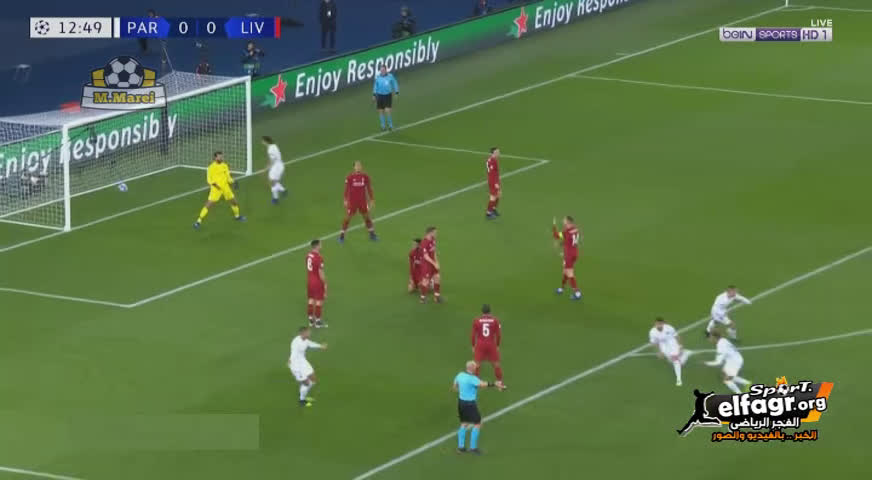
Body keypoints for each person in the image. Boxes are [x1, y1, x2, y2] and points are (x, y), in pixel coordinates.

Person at [453, 360, 505, 454]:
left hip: (461, 402)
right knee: (477, 424)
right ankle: (473, 448)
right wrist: (495, 384)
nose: (476, 369)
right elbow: (482, 384)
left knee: (464, 423)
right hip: (470, 404)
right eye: (475, 368)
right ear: (472, 368)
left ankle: (461, 447)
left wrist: (463, 391)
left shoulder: (460, 375)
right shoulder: (472, 378)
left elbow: (455, 387)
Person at [193, 151, 245, 229]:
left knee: (234, 202)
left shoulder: (225, 165)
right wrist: (216, 186)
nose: (221, 158)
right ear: (215, 158)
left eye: (222, 157)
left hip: (226, 187)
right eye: (219, 157)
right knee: (209, 205)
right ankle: (198, 221)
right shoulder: (211, 167)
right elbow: (209, 180)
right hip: (216, 189)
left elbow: (228, 177)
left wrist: (233, 182)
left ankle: (237, 216)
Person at [288, 326, 328, 407]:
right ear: (302, 333)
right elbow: (293, 353)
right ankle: (302, 400)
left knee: (313, 379)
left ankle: (303, 392)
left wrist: (320, 346)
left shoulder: (305, 340)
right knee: (307, 383)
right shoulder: (296, 342)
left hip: (303, 362)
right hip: (296, 365)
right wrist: (290, 362)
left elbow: (310, 344)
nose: (309, 333)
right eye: (308, 332)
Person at [339, 161, 378, 242]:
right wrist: (345, 199)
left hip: (362, 201)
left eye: (359, 165)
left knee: (367, 217)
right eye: (357, 166)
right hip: (352, 202)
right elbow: (346, 189)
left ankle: (372, 234)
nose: (358, 167)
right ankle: (342, 235)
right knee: (347, 218)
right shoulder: (350, 177)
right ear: (354, 167)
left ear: (361, 167)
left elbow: (369, 188)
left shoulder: (365, 176)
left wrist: (372, 199)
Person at [648, 317, 691, 386]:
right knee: (676, 362)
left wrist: (680, 346)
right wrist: (659, 352)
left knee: (675, 361)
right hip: (663, 346)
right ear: (655, 324)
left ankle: (678, 379)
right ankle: (686, 354)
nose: (658, 325)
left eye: (660, 324)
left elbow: (677, 336)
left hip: (672, 343)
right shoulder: (652, 332)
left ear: (663, 323)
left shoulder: (669, 328)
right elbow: (654, 343)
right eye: (657, 324)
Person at [472, 304, 504, 387]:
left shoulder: (476, 320)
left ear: (482, 311)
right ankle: (500, 383)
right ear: (490, 311)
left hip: (480, 344)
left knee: (477, 365)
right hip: (491, 344)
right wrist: (497, 345)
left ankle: (476, 383)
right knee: (496, 365)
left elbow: (473, 335)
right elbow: (498, 335)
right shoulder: (495, 320)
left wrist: (473, 345)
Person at [552, 216, 582, 300]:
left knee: (570, 273)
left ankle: (577, 293)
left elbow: (556, 236)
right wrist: (561, 244)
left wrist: (554, 226)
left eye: (564, 220)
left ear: (568, 222)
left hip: (569, 255)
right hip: (575, 253)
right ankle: (561, 288)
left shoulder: (566, 231)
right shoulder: (575, 229)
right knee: (565, 271)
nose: (563, 221)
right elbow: (569, 240)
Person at [306, 240, 328, 328]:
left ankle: (311, 320)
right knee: (319, 301)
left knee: (310, 299)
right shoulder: (319, 258)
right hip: (317, 282)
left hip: (309, 281)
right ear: (317, 246)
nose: (321, 245)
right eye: (320, 244)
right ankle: (318, 322)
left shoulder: (308, 255)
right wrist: (325, 283)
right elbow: (320, 272)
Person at [372, 65, 399, 131]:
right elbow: (375, 86)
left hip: (387, 95)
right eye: (381, 70)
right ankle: (383, 126)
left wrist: (396, 92)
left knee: (387, 111)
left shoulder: (390, 76)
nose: (382, 71)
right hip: (379, 95)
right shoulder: (378, 77)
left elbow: (395, 83)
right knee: (381, 111)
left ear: (386, 70)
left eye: (383, 70)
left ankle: (390, 125)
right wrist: (374, 95)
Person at [262, 136, 287, 204]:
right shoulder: (274, 146)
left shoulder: (270, 149)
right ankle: (283, 191)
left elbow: (272, 161)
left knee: (272, 182)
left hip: (277, 167)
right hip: (278, 166)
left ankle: (276, 198)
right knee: (273, 182)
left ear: (266, 141)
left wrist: (266, 168)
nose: (262, 142)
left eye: (263, 141)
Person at [419, 226, 441, 303]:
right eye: (435, 232)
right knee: (425, 281)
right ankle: (422, 298)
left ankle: (437, 297)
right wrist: (434, 264)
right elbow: (426, 256)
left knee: (437, 277)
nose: (436, 234)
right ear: (430, 233)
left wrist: (437, 262)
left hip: (433, 263)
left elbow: (434, 251)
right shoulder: (424, 243)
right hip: (426, 264)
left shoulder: (433, 240)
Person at [485, 147, 501, 219]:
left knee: (498, 195)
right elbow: (491, 174)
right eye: (497, 152)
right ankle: (488, 213)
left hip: (495, 180)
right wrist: (495, 183)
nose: (499, 153)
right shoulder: (492, 161)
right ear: (493, 153)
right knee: (493, 197)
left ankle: (493, 209)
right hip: (493, 181)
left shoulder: (493, 159)